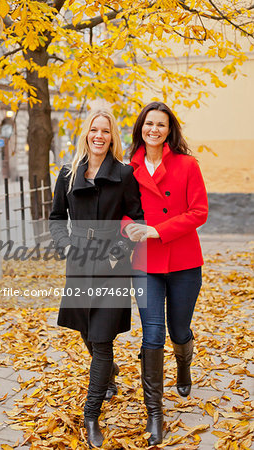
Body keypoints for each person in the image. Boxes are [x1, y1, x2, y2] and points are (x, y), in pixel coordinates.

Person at [49, 109, 144, 448]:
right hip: (79, 261)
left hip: (112, 264)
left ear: (111, 136)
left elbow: (136, 217)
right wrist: (64, 247)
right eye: (94, 129)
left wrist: (121, 247)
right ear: (86, 133)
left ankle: (91, 415)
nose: (99, 135)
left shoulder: (124, 173)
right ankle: (109, 373)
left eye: (105, 130)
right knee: (87, 333)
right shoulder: (67, 173)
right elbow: (57, 218)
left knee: (102, 340)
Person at [124, 101, 208, 446]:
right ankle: (155, 413)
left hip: (185, 260)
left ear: (169, 130)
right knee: (153, 333)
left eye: (161, 124)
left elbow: (199, 211)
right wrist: (128, 228)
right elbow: (120, 212)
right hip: (146, 263)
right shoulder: (126, 169)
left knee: (178, 328)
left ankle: (184, 360)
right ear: (141, 128)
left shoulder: (187, 165)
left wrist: (159, 230)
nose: (154, 129)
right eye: (149, 124)